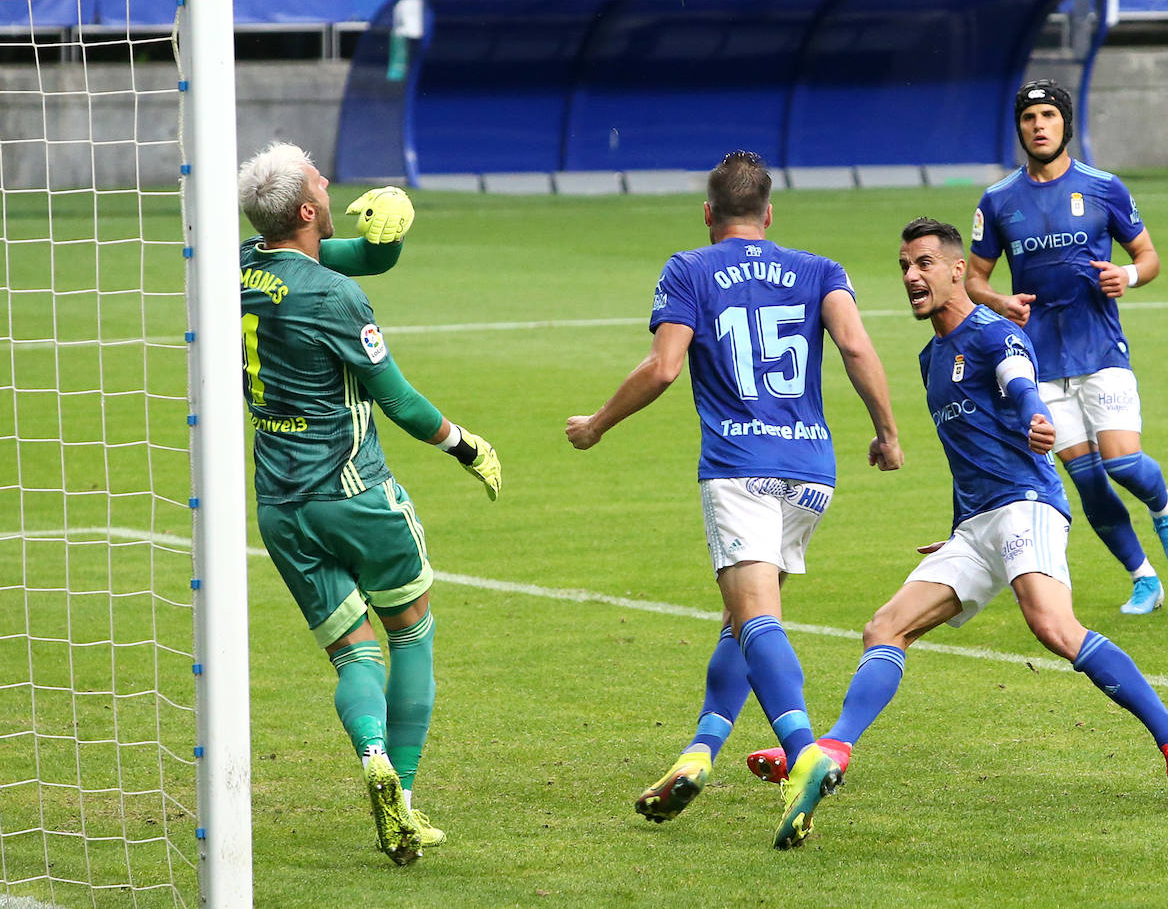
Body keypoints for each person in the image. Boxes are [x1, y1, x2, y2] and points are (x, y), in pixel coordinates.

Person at [745, 218, 1168, 808]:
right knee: (885, 629)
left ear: (957, 268)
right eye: (904, 267)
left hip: (1026, 506)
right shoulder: (929, 359)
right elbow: (968, 453)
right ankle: (828, 752)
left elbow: (1020, 382)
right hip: (975, 525)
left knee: (1053, 627)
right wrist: (956, 532)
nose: (912, 276)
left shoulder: (993, 332)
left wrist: (1037, 416)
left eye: (924, 264)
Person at [565, 150, 903, 849]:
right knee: (741, 618)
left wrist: (597, 423)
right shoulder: (819, 269)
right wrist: (887, 432)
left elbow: (663, 368)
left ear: (709, 213)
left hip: (739, 467)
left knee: (755, 619)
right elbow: (857, 347)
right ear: (770, 214)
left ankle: (805, 752)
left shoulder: (689, 268)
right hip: (812, 470)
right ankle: (699, 752)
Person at [237, 142, 502, 864]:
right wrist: (465, 445)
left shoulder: (241, 268)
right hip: (354, 492)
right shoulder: (335, 297)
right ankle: (406, 802)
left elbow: (357, 257)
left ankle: (373, 754)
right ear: (306, 209)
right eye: (319, 178)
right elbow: (402, 403)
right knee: (410, 631)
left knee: (355, 654)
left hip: (281, 505)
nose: (329, 179)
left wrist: (391, 235)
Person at [965, 79, 1168, 615]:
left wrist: (1129, 275)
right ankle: (1143, 579)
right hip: (1040, 363)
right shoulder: (998, 199)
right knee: (1089, 485)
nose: (1038, 125)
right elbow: (974, 278)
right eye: (1029, 118)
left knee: (1123, 463)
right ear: (1019, 127)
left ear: (1065, 123)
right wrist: (1000, 302)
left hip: (1101, 351)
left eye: (1048, 115)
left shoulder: (1103, 186)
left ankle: (1162, 505)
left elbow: (1148, 254)